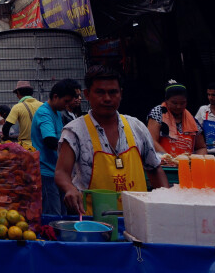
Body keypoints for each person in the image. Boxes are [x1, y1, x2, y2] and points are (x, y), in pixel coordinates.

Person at [56, 66, 169, 215]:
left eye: (113, 92)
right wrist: (70, 188)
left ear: (121, 94)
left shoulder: (137, 127)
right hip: (93, 221)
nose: (107, 98)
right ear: (87, 94)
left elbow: (154, 168)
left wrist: (166, 203)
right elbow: (61, 172)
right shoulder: (74, 132)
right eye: (100, 92)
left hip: (138, 218)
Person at [32, 80, 79, 216]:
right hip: (47, 172)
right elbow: (50, 140)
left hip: (58, 171)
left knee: (63, 212)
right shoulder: (44, 113)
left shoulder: (57, 112)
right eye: (66, 101)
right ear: (55, 97)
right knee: (53, 214)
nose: (67, 105)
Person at [147, 81, 206, 156]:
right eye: (174, 103)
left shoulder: (191, 120)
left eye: (182, 103)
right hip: (163, 164)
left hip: (185, 165)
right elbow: (152, 140)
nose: (178, 106)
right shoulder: (159, 112)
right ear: (166, 100)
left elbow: (201, 148)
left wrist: (196, 161)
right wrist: (169, 159)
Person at [3, 80, 44, 150]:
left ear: (18, 92)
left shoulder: (17, 107)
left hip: (26, 147)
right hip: (41, 146)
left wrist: (6, 139)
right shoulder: (42, 106)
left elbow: (6, 126)